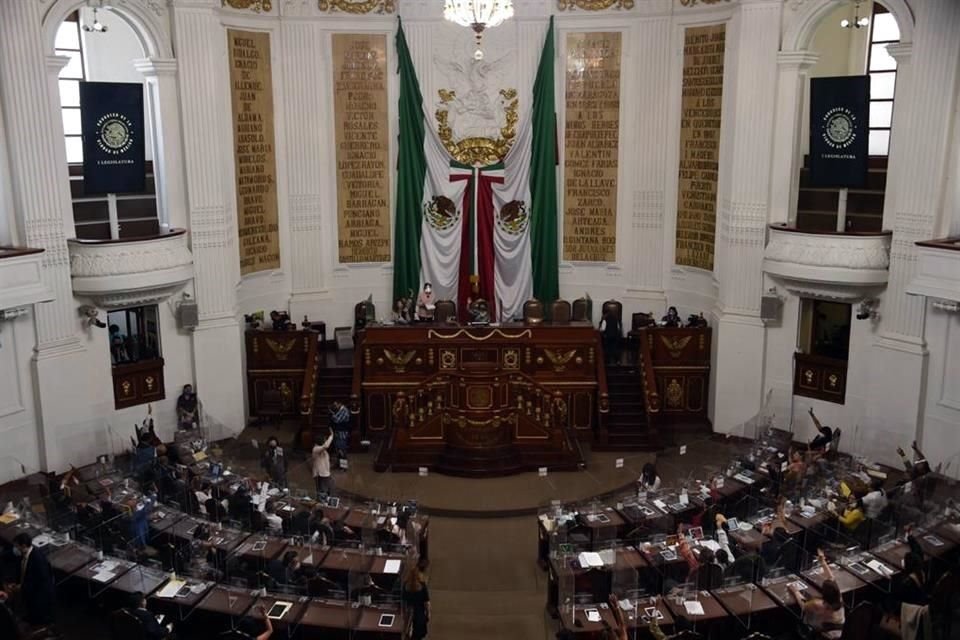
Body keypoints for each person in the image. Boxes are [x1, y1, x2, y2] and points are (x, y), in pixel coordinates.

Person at [789, 549, 845, 639]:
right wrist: (822, 561)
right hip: (841, 634)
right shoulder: (839, 598)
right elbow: (831, 577)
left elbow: (804, 606)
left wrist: (795, 591)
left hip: (823, 637)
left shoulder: (819, 605)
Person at [3, 532, 55, 628]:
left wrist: (22, 587)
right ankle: (30, 618)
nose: (15, 549)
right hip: (29, 591)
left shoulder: (37, 559)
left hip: (39, 593)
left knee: (38, 615)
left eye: (16, 546)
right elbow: (21, 570)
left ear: (23, 546)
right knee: (30, 608)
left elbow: (39, 580)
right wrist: (17, 583)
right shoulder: (23, 554)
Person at [402, 557, 431, 640]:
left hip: (410, 615)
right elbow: (427, 603)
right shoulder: (422, 586)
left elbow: (404, 603)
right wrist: (428, 614)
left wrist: (404, 616)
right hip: (420, 616)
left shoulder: (405, 586)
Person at [311, 428, 335, 497]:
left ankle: (326, 500)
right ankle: (322, 501)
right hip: (320, 474)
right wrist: (331, 436)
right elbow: (326, 445)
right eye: (324, 439)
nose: (325, 441)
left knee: (329, 488)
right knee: (322, 491)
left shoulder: (320, 449)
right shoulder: (316, 449)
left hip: (325, 473)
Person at [329, 401, 351, 465]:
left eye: (335, 405)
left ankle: (343, 466)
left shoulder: (344, 410)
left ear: (340, 404)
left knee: (342, 450)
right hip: (338, 432)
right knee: (338, 449)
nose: (335, 407)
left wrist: (332, 413)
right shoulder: (340, 410)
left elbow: (337, 420)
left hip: (342, 433)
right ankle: (338, 464)